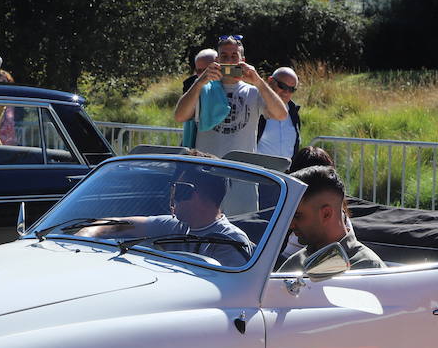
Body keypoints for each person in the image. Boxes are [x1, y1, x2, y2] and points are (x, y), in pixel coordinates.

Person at [80, 163, 252, 266]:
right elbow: (117, 224)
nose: (172, 196)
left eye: (177, 189)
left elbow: (233, 293)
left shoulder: (230, 240)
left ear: (190, 192)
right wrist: (85, 235)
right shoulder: (173, 225)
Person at [173, 36, 287, 157]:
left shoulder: (254, 92)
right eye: (224, 56)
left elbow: (281, 114)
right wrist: (199, 82)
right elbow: (180, 116)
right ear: (217, 60)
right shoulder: (203, 89)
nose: (228, 61)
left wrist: (258, 81)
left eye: (234, 56)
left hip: (240, 169)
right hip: (207, 167)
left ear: (242, 60)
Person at [281, 165, 383, 273]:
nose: (291, 224)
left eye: (297, 216)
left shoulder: (367, 269)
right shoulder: (295, 263)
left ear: (326, 214)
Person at [256, 67, 302, 160]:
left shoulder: (294, 112)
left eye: (291, 89)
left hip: (285, 172)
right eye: (282, 86)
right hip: (258, 171)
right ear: (270, 81)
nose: (286, 92)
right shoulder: (255, 104)